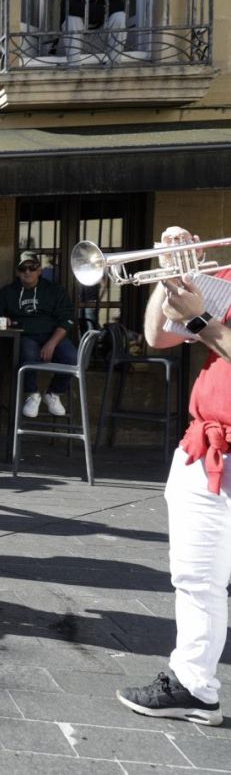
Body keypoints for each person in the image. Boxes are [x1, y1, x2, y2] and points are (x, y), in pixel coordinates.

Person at [116, 226, 229, 727]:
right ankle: (193, 684)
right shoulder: (227, 276)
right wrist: (173, 275)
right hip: (204, 448)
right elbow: (158, 336)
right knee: (196, 576)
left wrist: (202, 318)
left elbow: (204, 327)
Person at [0, 251, 77, 418]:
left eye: (32, 267)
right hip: (25, 335)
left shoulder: (54, 290)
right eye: (23, 268)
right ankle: (32, 394)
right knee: (27, 353)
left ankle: (53, 393)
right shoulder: (9, 292)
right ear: (18, 272)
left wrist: (52, 343)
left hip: (53, 335)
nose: (27, 272)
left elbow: (67, 319)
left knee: (71, 357)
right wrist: (3, 319)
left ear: (39, 270)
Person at [60, 0, 126, 58]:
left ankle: (114, 61)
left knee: (118, 16)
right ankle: (73, 66)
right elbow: (72, 10)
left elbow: (119, 7)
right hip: (71, 47)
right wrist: (104, 9)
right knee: (72, 19)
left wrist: (86, 10)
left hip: (99, 43)